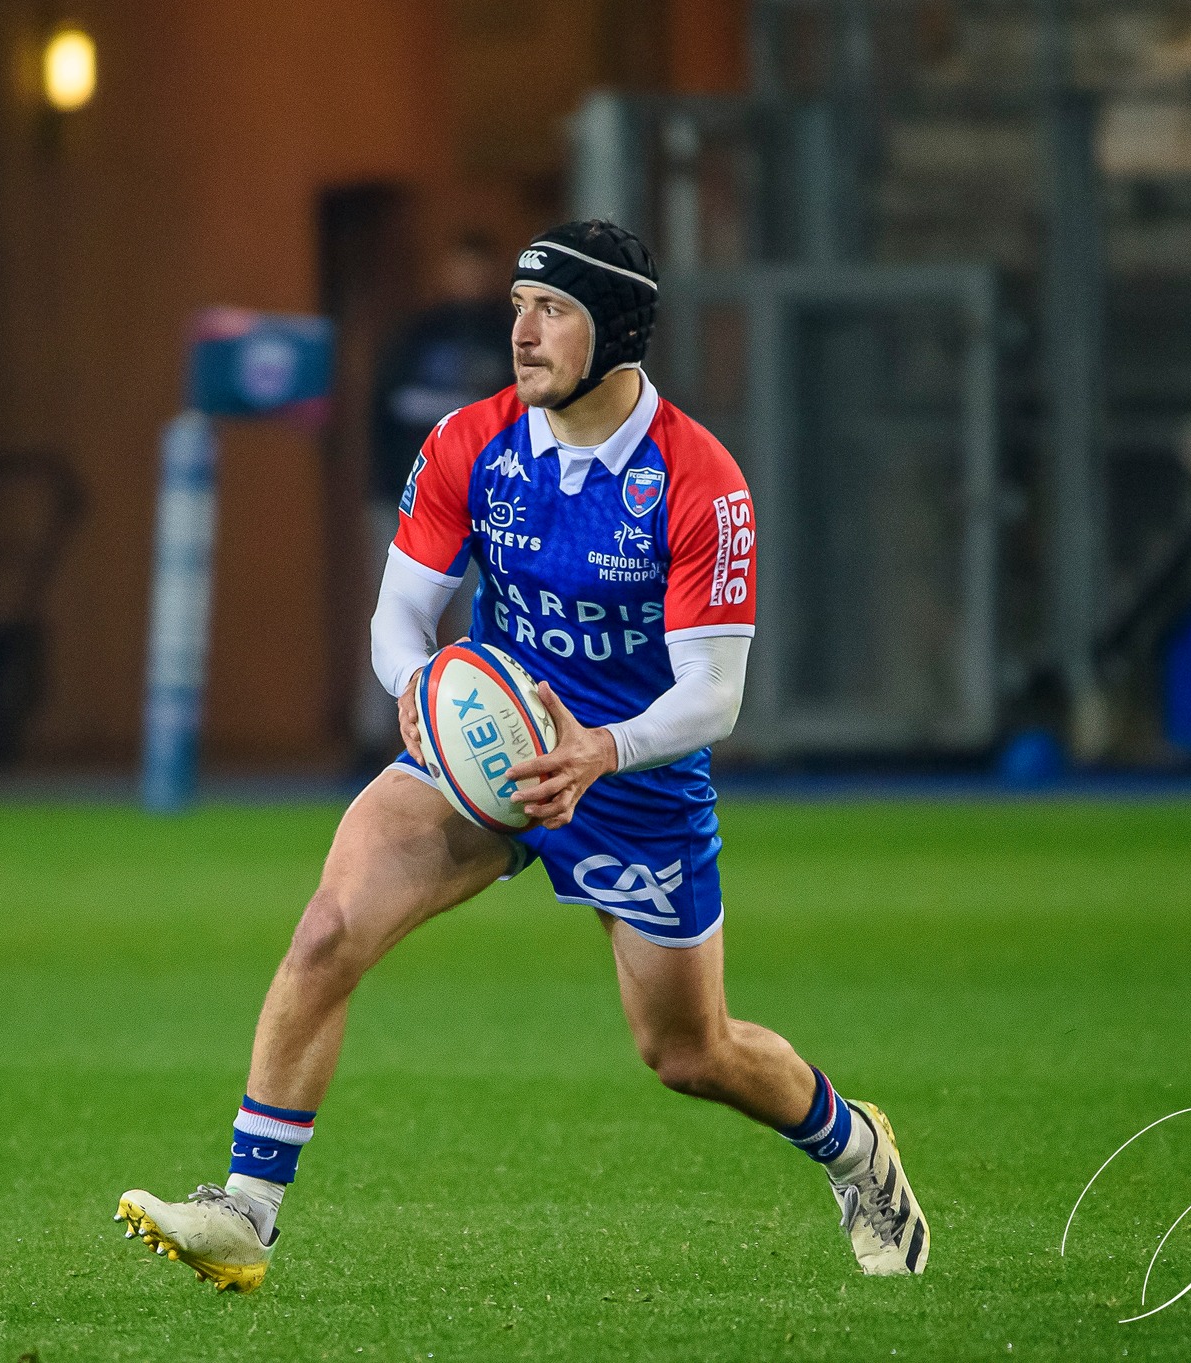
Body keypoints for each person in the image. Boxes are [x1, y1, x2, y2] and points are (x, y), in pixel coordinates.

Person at [116, 220, 930, 1290]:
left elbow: (714, 698)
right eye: (515, 307)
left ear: (619, 331)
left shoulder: (698, 481)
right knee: (326, 930)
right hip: (487, 747)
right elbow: (396, 620)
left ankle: (851, 1146)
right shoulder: (470, 441)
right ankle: (246, 1212)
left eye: (551, 311)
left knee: (686, 1052)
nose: (522, 332)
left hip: (631, 780)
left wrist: (601, 749)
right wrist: (414, 685)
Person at [354, 236, 514, 759]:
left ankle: (493, 737)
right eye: (460, 265)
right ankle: (377, 735)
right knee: (394, 612)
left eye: (478, 266)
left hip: (490, 506)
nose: (468, 278)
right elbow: (382, 411)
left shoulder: (508, 333)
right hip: (411, 496)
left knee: (487, 617)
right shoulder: (417, 334)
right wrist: (382, 490)